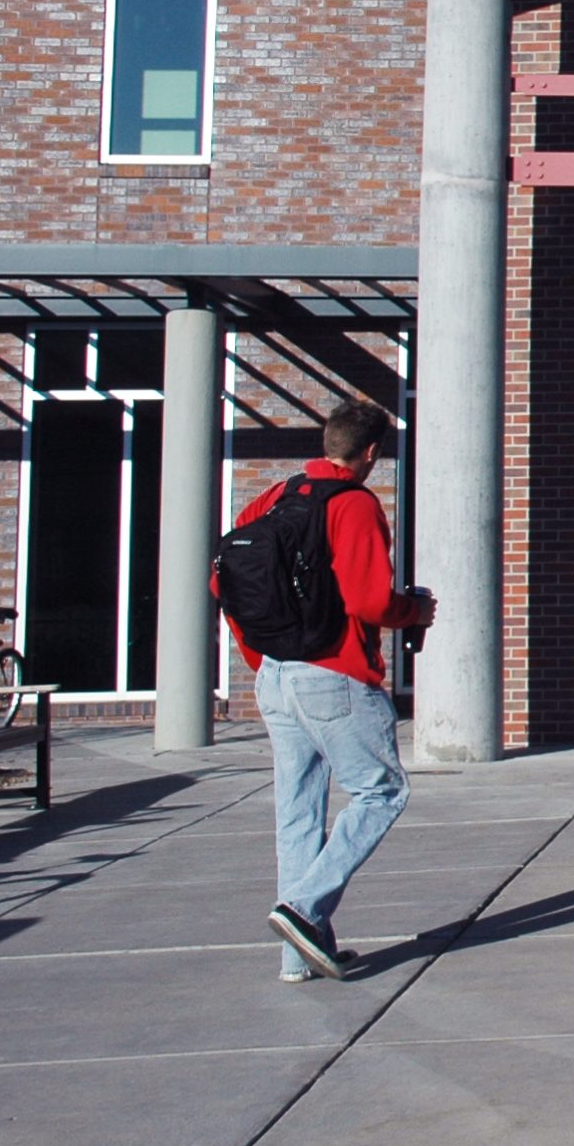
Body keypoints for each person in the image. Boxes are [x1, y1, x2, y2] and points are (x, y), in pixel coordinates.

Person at [225, 398, 435, 983]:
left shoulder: (276, 496)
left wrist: (258, 654)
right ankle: (302, 908)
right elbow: (370, 602)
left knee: (298, 812)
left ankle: (298, 958)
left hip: (276, 674)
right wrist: (414, 609)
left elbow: (228, 575)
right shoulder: (355, 504)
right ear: (371, 452)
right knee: (381, 793)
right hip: (335, 677)